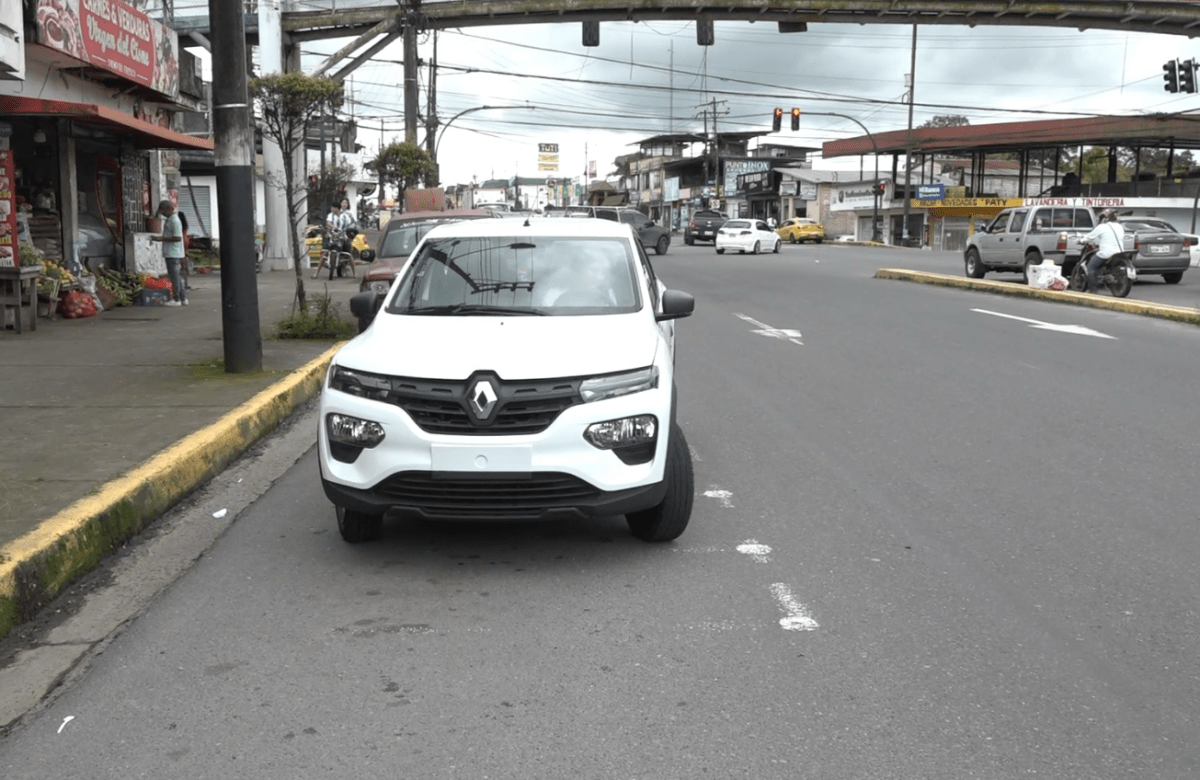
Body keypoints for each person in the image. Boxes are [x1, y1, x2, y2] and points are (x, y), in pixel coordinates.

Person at [150, 199, 187, 306]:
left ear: (169, 209)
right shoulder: (171, 219)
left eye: (164, 211)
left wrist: (161, 239)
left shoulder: (174, 221)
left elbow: (177, 238)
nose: (163, 214)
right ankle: (183, 298)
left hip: (173, 253)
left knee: (174, 277)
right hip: (173, 253)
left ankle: (176, 299)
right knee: (177, 277)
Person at [1080, 208, 1126, 292]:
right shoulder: (1120, 227)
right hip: (1119, 253)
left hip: (1106, 254)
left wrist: (1081, 240)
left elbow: (1090, 236)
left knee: (1090, 267)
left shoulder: (1101, 227)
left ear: (1105, 218)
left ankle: (1093, 288)